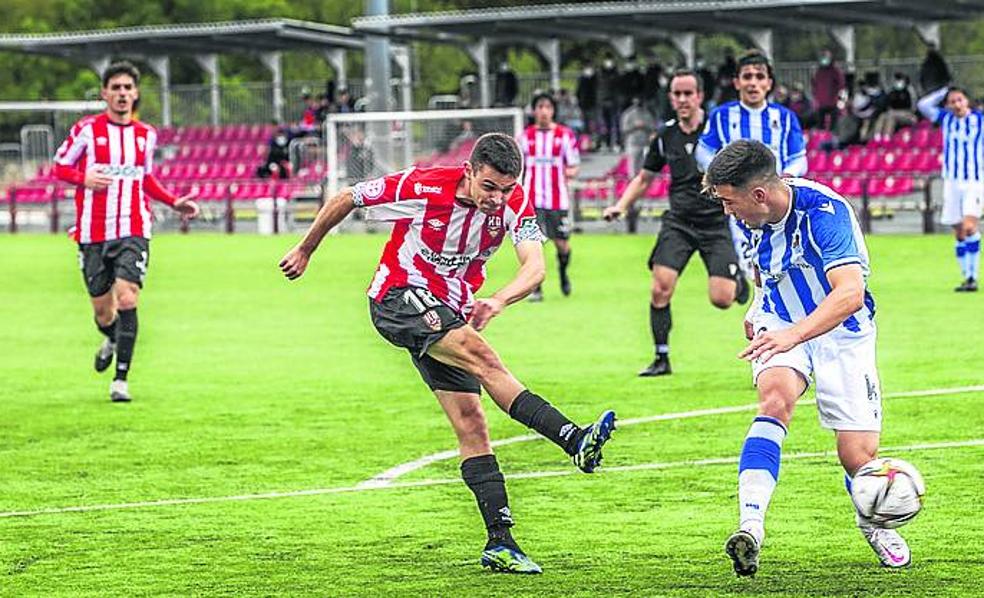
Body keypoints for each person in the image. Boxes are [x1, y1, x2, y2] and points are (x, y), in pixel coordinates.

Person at [278, 133, 616, 574]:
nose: (498, 199)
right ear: (470, 172)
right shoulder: (424, 186)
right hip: (399, 298)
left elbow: (535, 267)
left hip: (448, 311)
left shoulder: (515, 202)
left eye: (507, 189)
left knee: (472, 423)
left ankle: (501, 542)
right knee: (486, 361)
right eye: (490, 187)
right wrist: (306, 249)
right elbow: (348, 196)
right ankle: (573, 439)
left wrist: (497, 300)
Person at [704, 140, 909, 577]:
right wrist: (758, 307)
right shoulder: (752, 214)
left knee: (858, 457)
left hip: (842, 333)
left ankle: (873, 520)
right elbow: (764, 267)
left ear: (758, 194)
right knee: (775, 400)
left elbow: (850, 294)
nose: (727, 212)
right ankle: (750, 529)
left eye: (729, 202)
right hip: (781, 322)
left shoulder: (824, 215)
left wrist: (792, 334)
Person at [53, 61, 200, 402]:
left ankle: (121, 381)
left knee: (128, 296)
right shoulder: (87, 130)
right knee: (103, 312)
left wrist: (174, 201)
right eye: (115, 88)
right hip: (92, 233)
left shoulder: (145, 135)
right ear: (105, 93)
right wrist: (83, 178)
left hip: (133, 227)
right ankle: (111, 337)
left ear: (135, 94)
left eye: (127, 88)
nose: (122, 94)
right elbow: (60, 165)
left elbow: (144, 178)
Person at [603, 70, 747, 377]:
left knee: (721, 299)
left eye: (687, 94)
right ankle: (661, 357)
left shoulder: (718, 130)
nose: (682, 100)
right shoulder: (665, 135)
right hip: (679, 222)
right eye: (677, 94)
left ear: (700, 97)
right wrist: (621, 205)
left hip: (716, 222)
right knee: (660, 289)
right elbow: (644, 178)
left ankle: (736, 282)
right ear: (670, 98)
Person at [696, 49, 807, 286]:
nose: (753, 83)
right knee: (754, 269)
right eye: (747, 76)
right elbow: (703, 151)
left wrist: (787, 175)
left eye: (759, 76)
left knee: (784, 268)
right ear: (737, 82)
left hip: (775, 202)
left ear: (769, 83)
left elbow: (800, 158)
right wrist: (719, 176)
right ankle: (761, 312)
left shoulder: (785, 117)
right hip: (740, 204)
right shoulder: (721, 116)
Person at [918, 85, 983, 291]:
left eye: (960, 100)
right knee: (958, 230)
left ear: (967, 101)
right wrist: (943, 90)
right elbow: (923, 105)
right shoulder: (946, 119)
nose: (956, 104)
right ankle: (966, 277)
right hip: (952, 182)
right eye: (952, 101)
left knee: (970, 226)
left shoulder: (979, 120)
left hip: (974, 180)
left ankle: (973, 277)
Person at [518, 92, 581, 300]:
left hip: (557, 199)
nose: (544, 111)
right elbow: (518, 167)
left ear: (553, 111)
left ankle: (563, 273)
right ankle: (536, 289)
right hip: (532, 200)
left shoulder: (565, 135)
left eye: (547, 107)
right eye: (540, 107)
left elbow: (574, 165)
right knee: (534, 245)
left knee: (562, 244)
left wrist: (568, 172)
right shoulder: (525, 137)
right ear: (534, 111)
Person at [872, 73, 917, 142]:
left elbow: (913, 109)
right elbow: (889, 106)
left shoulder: (909, 90)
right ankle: (878, 136)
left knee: (891, 116)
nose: (898, 82)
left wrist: (896, 113)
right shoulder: (892, 91)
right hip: (893, 114)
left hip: (908, 115)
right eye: (897, 79)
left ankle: (887, 137)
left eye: (899, 79)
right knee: (883, 116)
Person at [811, 49, 845, 130]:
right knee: (820, 124)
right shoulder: (818, 71)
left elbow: (841, 84)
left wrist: (839, 99)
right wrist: (815, 97)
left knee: (834, 124)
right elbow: (814, 84)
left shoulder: (835, 71)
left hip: (833, 101)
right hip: (821, 102)